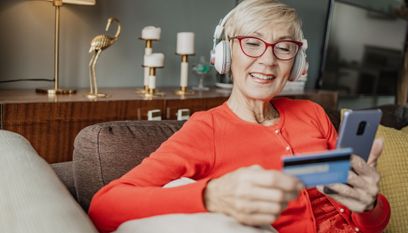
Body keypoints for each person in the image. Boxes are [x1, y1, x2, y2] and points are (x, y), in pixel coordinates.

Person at [89, 0, 391, 232]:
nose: (268, 61)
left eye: (284, 48)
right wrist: (210, 197)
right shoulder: (205, 129)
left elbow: (374, 221)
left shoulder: (312, 113)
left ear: (297, 63)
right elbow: (104, 207)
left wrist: (369, 204)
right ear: (224, 54)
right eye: (252, 43)